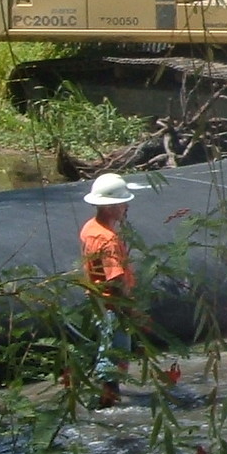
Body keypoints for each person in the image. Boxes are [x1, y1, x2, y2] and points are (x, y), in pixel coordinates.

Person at [79, 172, 137, 406]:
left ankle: (106, 397)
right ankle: (107, 403)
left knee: (108, 350)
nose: (126, 207)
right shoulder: (108, 240)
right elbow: (115, 279)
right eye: (123, 203)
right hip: (114, 305)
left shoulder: (90, 228)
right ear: (111, 206)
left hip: (98, 302)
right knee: (115, 355)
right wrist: (129, 309)